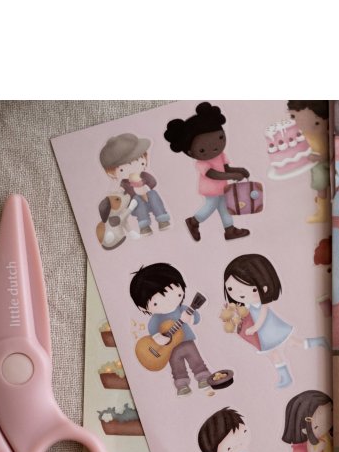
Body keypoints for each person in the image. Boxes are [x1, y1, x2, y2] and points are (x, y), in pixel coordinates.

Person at [223, 253, 328, 388]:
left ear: (264, 287)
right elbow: (242, 316)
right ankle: (287, 375)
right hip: (264, 335)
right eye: (230, 288)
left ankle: (316, 344)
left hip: (271, 329)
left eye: (252, 289)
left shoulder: (260, 304)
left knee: (290, 344)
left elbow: (263, 315)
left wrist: (255, 328)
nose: (239, 294)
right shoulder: (245, 305)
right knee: (280, 350)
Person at [163, 102, 251, 241]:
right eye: (202, 149)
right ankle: (193, 221)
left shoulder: (220, 155)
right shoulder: (202, 163)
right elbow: (213, 174)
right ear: (190, 152)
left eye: (220, 138)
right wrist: (233, 175)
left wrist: (239, 170)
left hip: (222, 188)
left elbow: (225, 169)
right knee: (211, 206)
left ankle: (229, 230)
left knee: (224, 207)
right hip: (210, 189)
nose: (215, 147)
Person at [130, 263, 211, 396]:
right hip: (169, 350)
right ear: (143, 307)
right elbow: (152, 331)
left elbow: (196, 318)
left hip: (187, 341)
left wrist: (190, 318)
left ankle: (203, 377)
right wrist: (158, 337)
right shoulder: (156, 318)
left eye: (175, 293)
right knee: (177, 367)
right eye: (155, 302)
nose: (168, 301)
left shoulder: (182, 309)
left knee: (196, 359)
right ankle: (182, 385)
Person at [99, 133, 170, 236]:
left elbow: (153, 182)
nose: (134, 168)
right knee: (136, 199)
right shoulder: (124, 183)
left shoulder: (144, 176)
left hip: (151, 202)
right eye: (122, 169)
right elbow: (122, 195)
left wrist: (144, 187)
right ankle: (144, 226)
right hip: (137, 207)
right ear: (112, 173)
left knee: (153, 193)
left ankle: (162, 219)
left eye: (140, 162)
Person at [287, 101, 330, 223]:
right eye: (292, 116)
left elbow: (328, 154)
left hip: (321, 167)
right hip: (315, 167)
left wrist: (319, 158)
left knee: (321, 190)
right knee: (320, 190)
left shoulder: (322, 136)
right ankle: (322, 210)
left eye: (317, 123)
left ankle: (323, 213)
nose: (295, 121)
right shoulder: (305, 135)